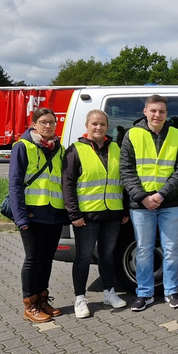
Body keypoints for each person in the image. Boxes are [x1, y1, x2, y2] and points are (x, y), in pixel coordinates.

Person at [119, 95, 178, 312]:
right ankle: (144, 293)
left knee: (171, 250)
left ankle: (171, 291)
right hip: (141, 204)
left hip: (170, 202)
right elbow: (126, 170)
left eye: (162, 111)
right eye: (154, 111)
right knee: (144, 250)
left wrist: (161, 195)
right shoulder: (132, 135)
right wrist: (143, 197)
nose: (157, 115)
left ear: (166, 114)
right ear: (145, 111)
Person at [62, 109, 129, 319]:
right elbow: (68, 184)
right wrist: (74, 214)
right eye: (94, 124)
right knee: (83, 257)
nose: (98, 127)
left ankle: (109, 292)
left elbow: (124, 181)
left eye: (102, 124)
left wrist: (125, 209)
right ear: (87, 126)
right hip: (87, 215)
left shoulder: (117, 148)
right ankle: (80, 298)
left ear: (107, 126)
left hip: (112, 214)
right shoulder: (75, 150)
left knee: (108, 255)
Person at [9, 108, 68, 323]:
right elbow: (14, 184)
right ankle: (29, 304)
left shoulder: (59, 148)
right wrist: (21, 217)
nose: (48, 126)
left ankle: (43, 299)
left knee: (47, 259)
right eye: (43, 122)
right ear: (34, 124)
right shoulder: (22, 147)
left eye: (52, 122)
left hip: (54, 213)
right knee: (33, 260)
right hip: (32, 214)